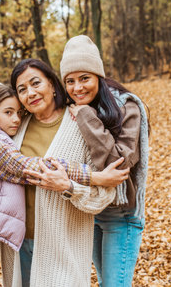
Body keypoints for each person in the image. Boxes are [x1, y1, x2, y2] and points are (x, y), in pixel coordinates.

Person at [0, 82, 128, 287]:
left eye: (18, 113)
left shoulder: (2, 139)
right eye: (8, 112)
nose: (16, 119)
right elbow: (32, 167)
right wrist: (94, 177)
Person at [0, 59, 128, 287]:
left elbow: (104, 195)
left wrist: (68, 187)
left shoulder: (80, 123)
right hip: (19, 245)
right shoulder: (14, 128)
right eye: (22, 89)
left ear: (51, 83)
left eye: (36, 83)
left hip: (63, 248)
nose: (31, 93)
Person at [60, 35, 150, 287]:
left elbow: (120, 164)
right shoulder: (72, 108)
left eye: (84, 78)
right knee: (104, 282)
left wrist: (87, 117)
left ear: (98, 75)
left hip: (121, 213)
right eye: (70, 81)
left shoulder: (126, 106)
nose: (77, 88)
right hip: (90, 209)